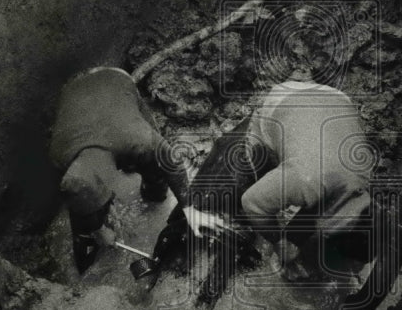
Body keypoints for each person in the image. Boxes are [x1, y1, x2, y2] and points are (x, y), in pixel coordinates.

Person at [186, 69, 372, 280]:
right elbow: (252, 202)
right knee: (254, 176)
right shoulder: (306, 180)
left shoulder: (363, 181)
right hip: (282, 102)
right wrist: (279, 242)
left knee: (314, 194)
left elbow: (327, 205)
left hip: (334, 99)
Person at [49, 67, 191, 272]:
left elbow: (172, 162)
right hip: (75, 92)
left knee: (154, 168)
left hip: (114, 78)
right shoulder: (61, 157)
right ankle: (86, 259)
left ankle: (154, 190)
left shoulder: (139, 140)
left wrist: (190, 207)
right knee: (83, 222)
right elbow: (77, 194)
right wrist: (98, 229)